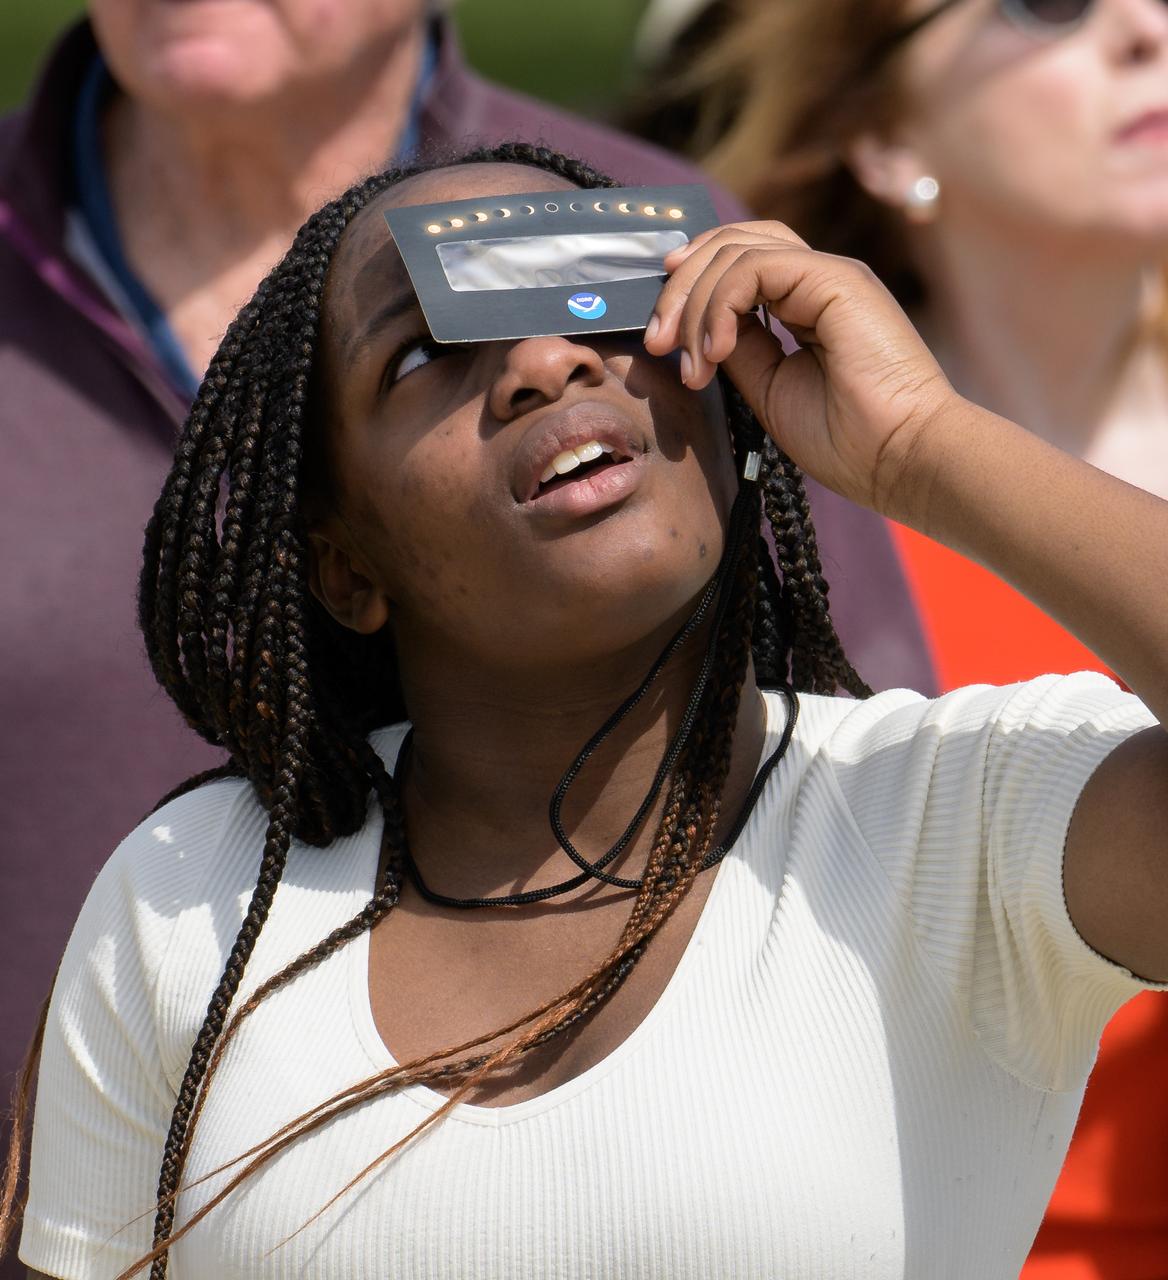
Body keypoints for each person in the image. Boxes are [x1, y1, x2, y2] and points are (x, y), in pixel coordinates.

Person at [3, 141, 1166, 1280]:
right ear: (342, 559)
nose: (548, 360)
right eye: (419, 354)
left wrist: (920, 442)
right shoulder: (188, 893)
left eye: (604, 296)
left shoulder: (955, 814)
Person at [629, 1, 1168, 1273]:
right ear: (878, 133)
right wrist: (916, 450)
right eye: (1046, 3)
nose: (1147, 31)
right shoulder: (755, 512)